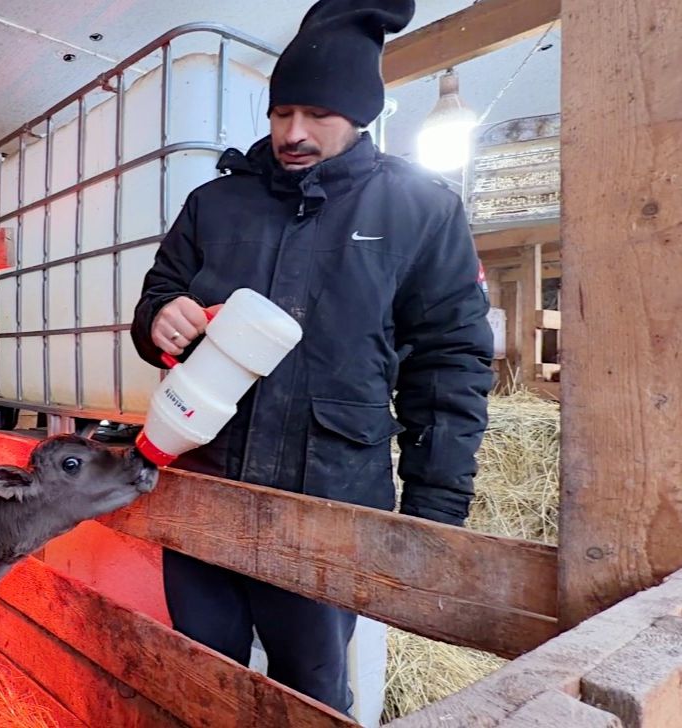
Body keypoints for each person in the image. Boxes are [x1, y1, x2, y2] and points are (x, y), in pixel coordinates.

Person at [128, 0, 494, 716]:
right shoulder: (215, 203)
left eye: (317, 115)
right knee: (196, 669)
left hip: (327, 497)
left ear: (360, 115)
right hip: (205, 485)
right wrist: (157, 321)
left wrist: (431, 514)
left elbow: (449, 363)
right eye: (280, 112)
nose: (293, 133)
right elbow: (158, 299)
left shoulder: (418, 208)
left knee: (312, 687)